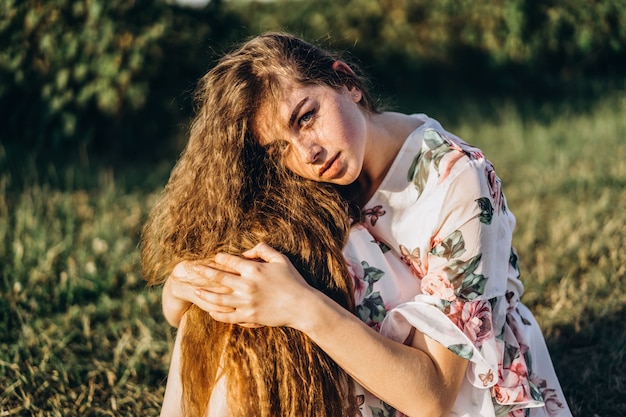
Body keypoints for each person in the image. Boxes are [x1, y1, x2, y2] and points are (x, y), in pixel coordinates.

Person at [143, 32, 572, 417]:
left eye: (305, 117)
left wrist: (299, 304)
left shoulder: (457, 180)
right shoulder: (300, 180)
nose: (306, 153)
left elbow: (433, 397)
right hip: (357, 361)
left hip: (449, 389)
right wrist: (183, 286)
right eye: (279, 148)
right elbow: (181, 311)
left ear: (346, 81)